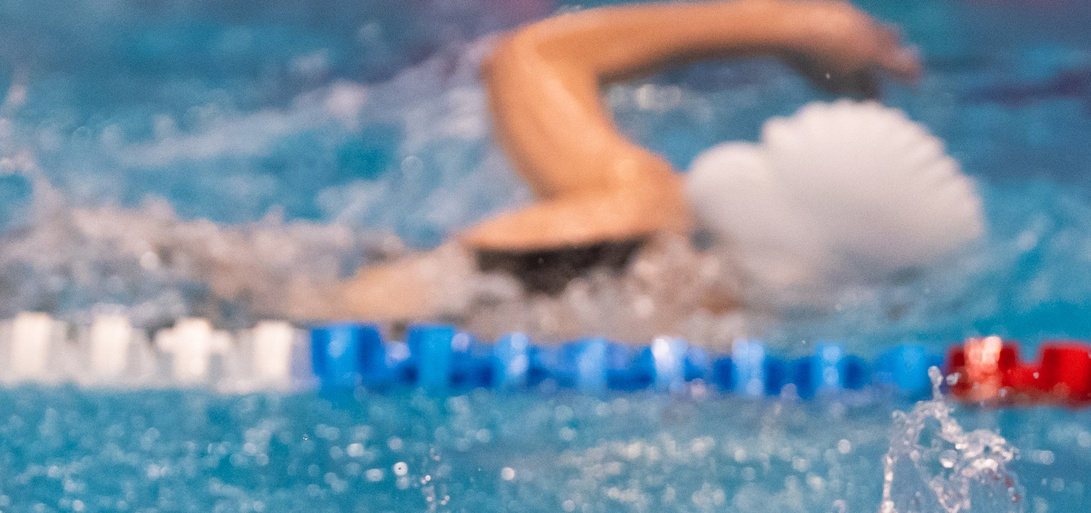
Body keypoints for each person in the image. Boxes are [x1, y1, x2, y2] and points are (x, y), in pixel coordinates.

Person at [316, 0, 985, 321]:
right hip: (329, 311)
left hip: (300, 319)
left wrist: (788, 24)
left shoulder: (645, 212)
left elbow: (532, 57)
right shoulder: (658, 239)